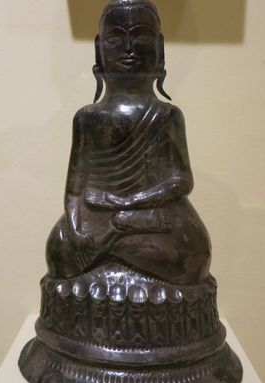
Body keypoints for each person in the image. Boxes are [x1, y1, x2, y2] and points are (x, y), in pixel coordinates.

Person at [46, 0, 211, 284]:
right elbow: (75, 191)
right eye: (115, 38)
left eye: (142, 36)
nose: (129, 48)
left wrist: (129, 201)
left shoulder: (167, 115)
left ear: (160, 48)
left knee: (193, 255)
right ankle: (114, 244)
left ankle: (110, 246)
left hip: (153, 214)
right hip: (99, 214)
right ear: (98, 49)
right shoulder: (88, 118)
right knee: (58, 248)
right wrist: (77, 232)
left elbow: (181, 181)